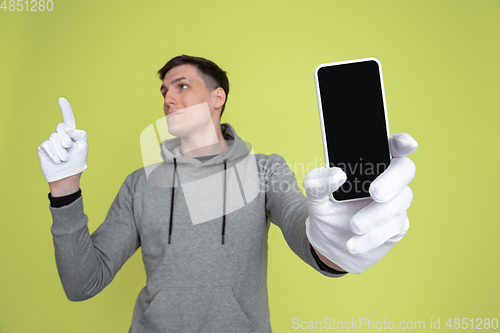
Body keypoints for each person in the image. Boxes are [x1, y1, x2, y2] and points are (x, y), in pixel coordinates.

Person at [38, 55, 417, 332]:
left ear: (217, 97)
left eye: (182, 86)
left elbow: (306, 231)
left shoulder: (265, 169)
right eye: (164, 91)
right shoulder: (140, 184)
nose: (168, 98)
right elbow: (83, 282)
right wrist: (64, 189)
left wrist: (338, 239)